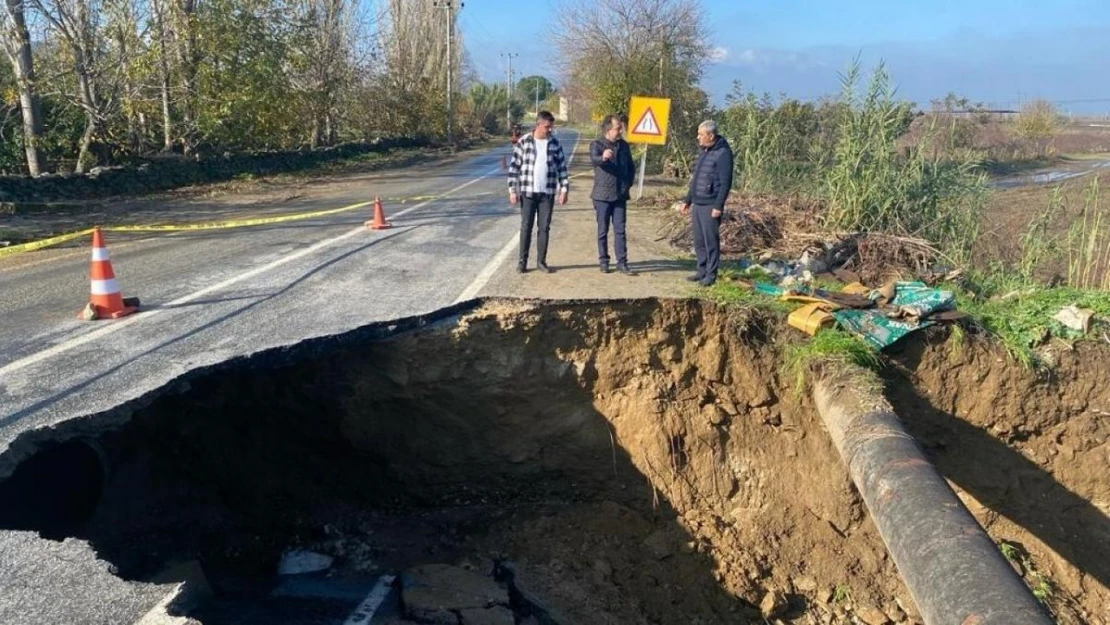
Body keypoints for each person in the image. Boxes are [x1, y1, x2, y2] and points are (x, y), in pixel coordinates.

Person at [508, 111, 570, 273]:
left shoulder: (555, 144)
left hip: (547, 193)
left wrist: (564, 189)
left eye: (551, 127)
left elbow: (562, 169)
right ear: (538, 125)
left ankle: (541, 261)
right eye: (547, 127)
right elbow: (514, 167)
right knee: (526, 227)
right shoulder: (524, 142)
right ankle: (522, 262)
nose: (550, 130)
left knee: (544, 228)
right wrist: (512, 190)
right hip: (528, 192)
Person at [680, 120, 734, 287]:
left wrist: (718, 206)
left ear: (711, 135)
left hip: (711, 204)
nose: (698, 137)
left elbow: (726, 182)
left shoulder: (723, 153)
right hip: (698, 202)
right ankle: (701, 270)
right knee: (699, 240)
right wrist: (687, 200)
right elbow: (696, 179)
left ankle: (711, 274)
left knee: (710, 240)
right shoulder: (704, 151)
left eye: (700, 134)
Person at [589, 114, 636, 274]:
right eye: (618, 128)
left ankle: (622, 263)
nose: (621, 130)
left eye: (621, 127)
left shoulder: (624, 146)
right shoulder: (597, 144)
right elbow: (594, 159)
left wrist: (627, 184)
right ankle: (604, 261)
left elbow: (631, 167)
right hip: (602, 195)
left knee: (620, 230)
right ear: (609, 129)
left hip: (620, 196)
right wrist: (603, 158)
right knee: (603, 230)